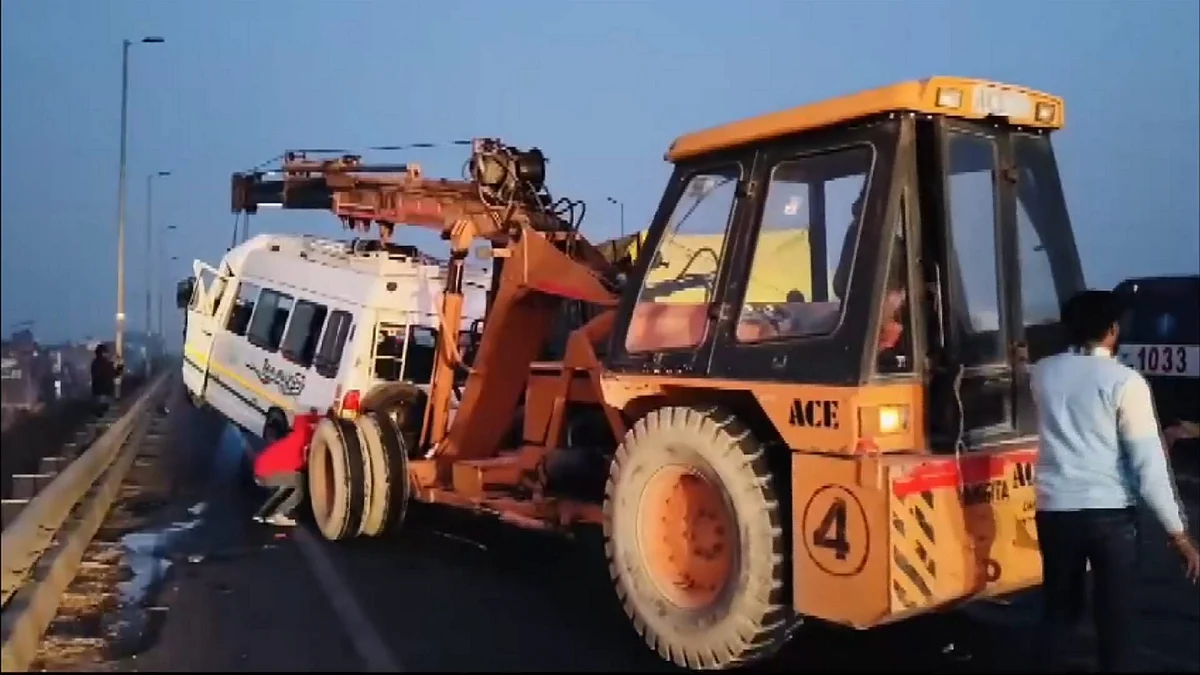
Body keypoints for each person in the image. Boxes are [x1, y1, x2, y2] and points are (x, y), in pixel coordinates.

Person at [1030, 289, 1200, 673]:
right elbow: (1149, 465)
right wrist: (1179, 535)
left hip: (1055, 511)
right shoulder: (1125, 382)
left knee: (1058, 615)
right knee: (1116, 622)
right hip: (1110, 517)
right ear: (1111, 330)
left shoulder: (1043, 373)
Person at [252, 409, 321, 527]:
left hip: (260, 469)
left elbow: (301, 419)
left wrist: (316, 416)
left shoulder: (299, 433)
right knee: (299, 483)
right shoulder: (304, 443)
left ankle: (263, 514)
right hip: (265, 473)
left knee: (286, 486)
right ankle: (278, 514)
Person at [90, 344, 123, 414]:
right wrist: (119, 365)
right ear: (103, 353)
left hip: (97, 392)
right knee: (105, 410)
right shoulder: (107, 364)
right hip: (106, 392)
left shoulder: (94, 363)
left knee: (99, 410)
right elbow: (116, 374)